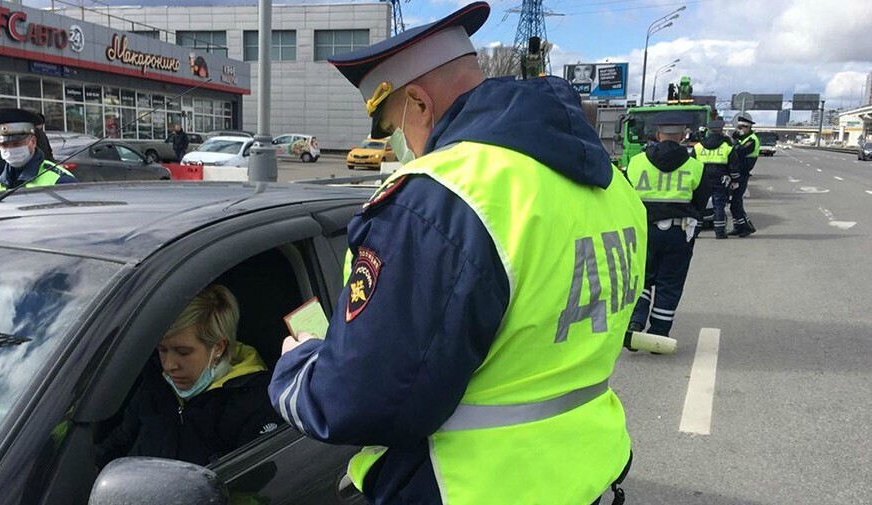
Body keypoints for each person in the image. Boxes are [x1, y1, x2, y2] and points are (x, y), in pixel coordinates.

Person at [266, 3, 646, 504]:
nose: (395, 145)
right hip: (584, 472)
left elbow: (362, 399)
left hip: (471, 487)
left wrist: (298, 369)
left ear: (419, 105)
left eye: (389, 127)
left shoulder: (441, 198)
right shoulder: (611, 187)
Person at [95, 284, 282, 468]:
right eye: (162, 350)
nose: (169, 366)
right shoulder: (155, 385)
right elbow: (121, 439)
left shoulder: (253, 404)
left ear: (218, 348)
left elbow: (251, 486)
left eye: (183, 352)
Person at [626, 112, 709, 340]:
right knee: (670, 283)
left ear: (657, 134)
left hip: (643, 232)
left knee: (640, 277)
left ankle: (635, 320)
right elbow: (700, 203)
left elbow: (625, 198)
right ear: (683, 136)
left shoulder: (636, 162)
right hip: (678, 233)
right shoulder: (696, 167)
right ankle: (659, 334)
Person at [0, 108, 77, 192]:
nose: (10, 150)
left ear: (33, 142)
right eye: (4, 145)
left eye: (16, 143)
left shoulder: (61, 181)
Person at [692, 119, 739, 239]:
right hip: (720, 178)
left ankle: (695, 232)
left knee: (700, 205)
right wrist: (735, 180)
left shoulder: (698, 146)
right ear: (721, 131)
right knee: (718, 205)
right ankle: (720, 232)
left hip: (702, 178)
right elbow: (733, 165)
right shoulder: (727, 146)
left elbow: (691, 163)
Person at [730, 117, 758, 236]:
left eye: (742, 127)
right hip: (737, 173)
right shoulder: (743, 139)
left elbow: (739, 152)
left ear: (749, 128)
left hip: (742, 173)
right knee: (734, 203)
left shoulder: (751, 140)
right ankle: (738, 227)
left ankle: (747, 227)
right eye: (739, 127)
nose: (740, 130)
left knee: (736, 202)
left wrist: (735, 141)